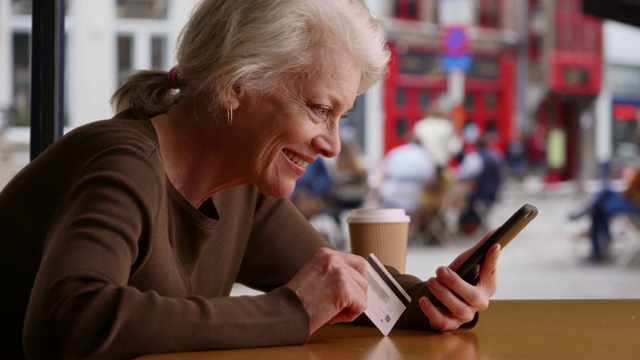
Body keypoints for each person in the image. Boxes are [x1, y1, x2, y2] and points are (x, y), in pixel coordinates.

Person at [0, 1, 502, 358]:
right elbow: (68, 321)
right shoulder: (122, 161)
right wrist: (289, 311)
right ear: (236, 84)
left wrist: (442, 299)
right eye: (319, 109)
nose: (331, 144)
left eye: (341, 117)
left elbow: (342, 290)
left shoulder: (240, 184)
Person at [569, 166, 640, 262]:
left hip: (635, 206)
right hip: (632, 202)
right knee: (605, 192)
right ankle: (602, 247)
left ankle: (588, 210)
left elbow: (628, 191)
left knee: (600, 207)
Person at [376, 133, 437, 241]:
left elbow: (383, 174)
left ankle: (391, 235)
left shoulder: (397, 152)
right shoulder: (426, 156)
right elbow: (429, 181)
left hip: (392, 192)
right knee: (416, 211)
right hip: (413, 193)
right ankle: (411, 235)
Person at [456, 135, 505, 236]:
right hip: (495, 192)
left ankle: (468, 226)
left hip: (482, 193)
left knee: (465, 201)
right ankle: (477, 225)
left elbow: (464, 174)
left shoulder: (476, 157)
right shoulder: (496, 155)